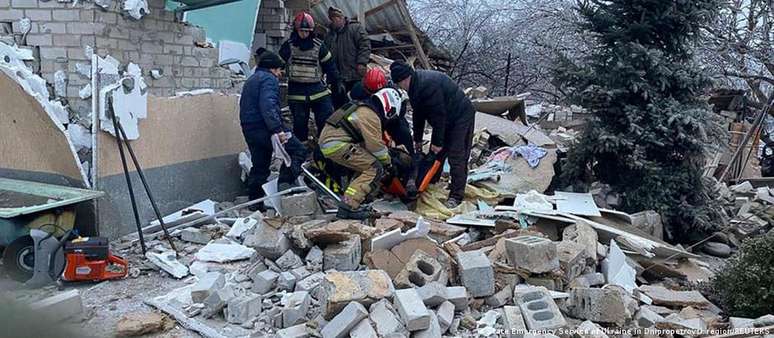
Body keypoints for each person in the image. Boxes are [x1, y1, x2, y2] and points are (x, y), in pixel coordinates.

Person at [390, 61, 476, 208]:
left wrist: (437, 142)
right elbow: (419, 114)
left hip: (460, 115)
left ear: (405, 78)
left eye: (400, 83)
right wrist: (417, 139)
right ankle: (431, 182)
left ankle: (456, 196)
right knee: (437, 154)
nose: (400, 87)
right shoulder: (414, 86)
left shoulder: (428, 86)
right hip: (446, 117)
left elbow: (438, 117)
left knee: (456, 154)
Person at [239, 49, 308, 210]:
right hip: (266, 127)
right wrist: (278, 130)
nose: (280, 74)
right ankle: (284, 185)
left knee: (260, 165)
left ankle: (255, 204)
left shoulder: (252, 79)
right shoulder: (269, 80)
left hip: (249, 127)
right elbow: (268, 106)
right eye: (279, 70)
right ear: (273, 68)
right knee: (298, 150)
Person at [318, 88, 402, 219]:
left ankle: (354, 200)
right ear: (389, 107)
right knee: (373, 168)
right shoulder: (371, 116)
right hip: (336, 144)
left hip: (330, 141)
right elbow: (376, 148)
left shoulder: (362, 108)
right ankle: (349, 207)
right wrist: (389, 163)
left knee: (365, 163)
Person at [279, 12, 341, 145]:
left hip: (318, 91)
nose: (304, 34)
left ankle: (324, 148)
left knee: (325, 120)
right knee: (300, 126)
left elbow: (330, 66)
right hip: (297, 93)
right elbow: (276, 66)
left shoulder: (319, 47)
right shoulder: (288, 47)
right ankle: (302, 153)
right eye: (301, 31)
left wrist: (336, 83)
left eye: (307, 31)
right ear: (296, 31)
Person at [324, 6, 371, 109]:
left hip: (354, 76)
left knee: (356, 105)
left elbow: (365, 45)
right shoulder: (329, 35)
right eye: (332, 18)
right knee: (339, 107)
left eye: (337, 18)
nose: (334, 21)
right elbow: (324, 54)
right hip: (336, 78)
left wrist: (362, 62)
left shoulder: (355, 28)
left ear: (342, 18)